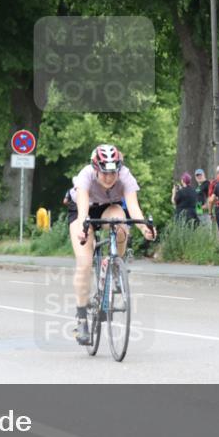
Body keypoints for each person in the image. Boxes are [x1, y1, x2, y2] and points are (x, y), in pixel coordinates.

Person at [70, 144, 155, 344]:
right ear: (96, 168)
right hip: (83, 210)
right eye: (104, 173)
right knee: (84, 263)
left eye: (113, 172)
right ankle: (82, 318)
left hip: (109, 207)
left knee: (121, 223)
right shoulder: (86, 175)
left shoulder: (125, 175)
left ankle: (116, 264)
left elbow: (133, 207)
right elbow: (83, 210)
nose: (109, 178)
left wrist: (144, 229)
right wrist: (84, 228)